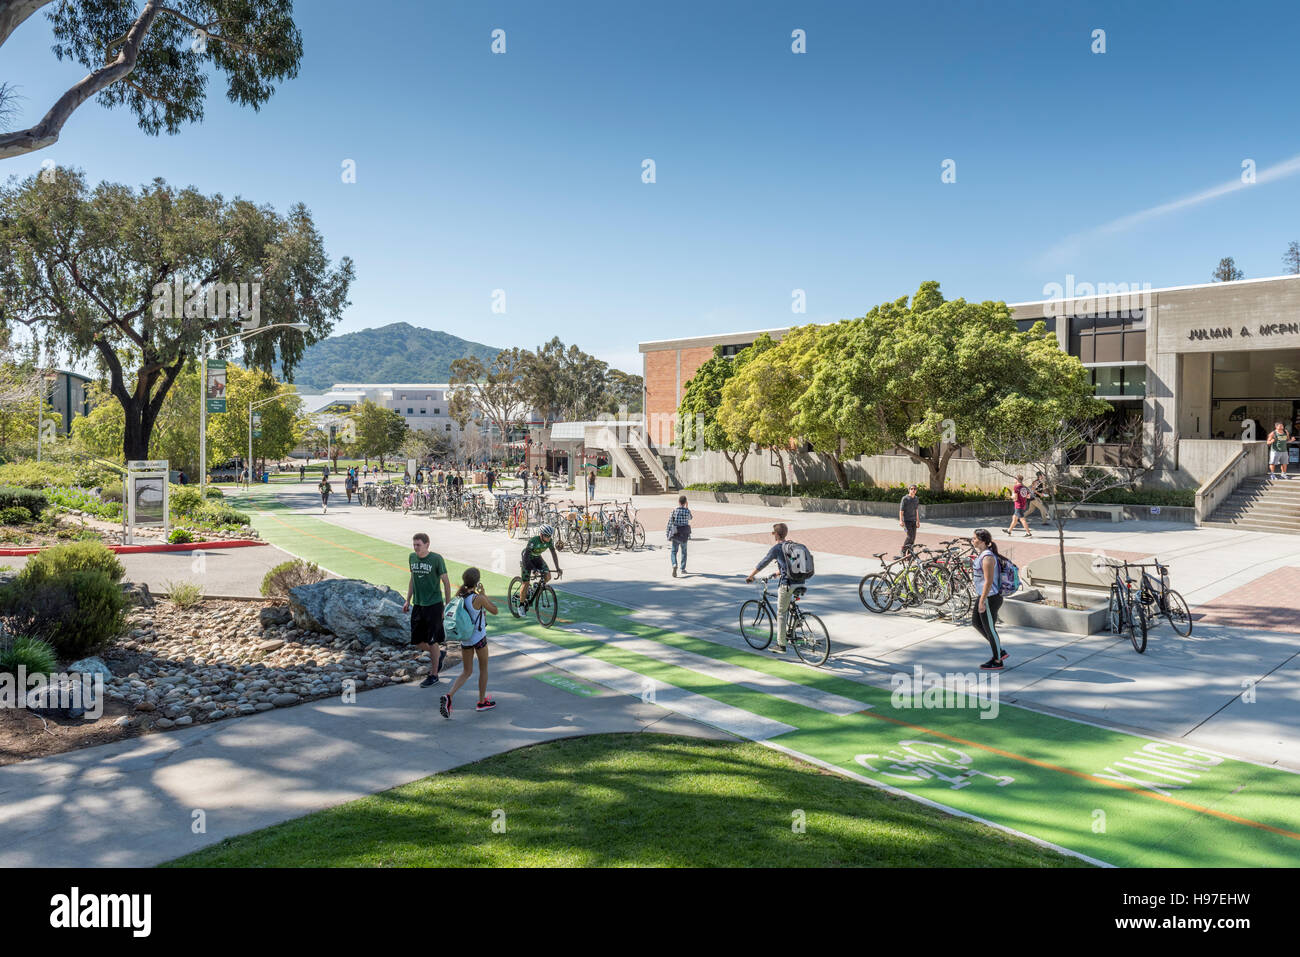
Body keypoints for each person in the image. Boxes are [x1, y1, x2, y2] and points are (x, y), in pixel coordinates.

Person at [439, 566, 498, 716]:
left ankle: (449, 696)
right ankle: (482, 701)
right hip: (479, 638)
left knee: (466, 671)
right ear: (477, 581)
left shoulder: (460, 596)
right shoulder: (478, 598)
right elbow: (494, 610)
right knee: (483, 669)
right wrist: (484, 594)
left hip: (465, 639)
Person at [403, 532, 452, 687]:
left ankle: (434, 674)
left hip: (434, 605)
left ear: (427, 544)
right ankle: (439, 654)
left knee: (432, 641)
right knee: (417, 640)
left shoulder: (436, 559)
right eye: (414, 545)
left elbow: (446, 582)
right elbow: (412, 579)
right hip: (418, 604)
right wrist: (407, 600)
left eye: (418, 545)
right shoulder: (412, 557)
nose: (416, 548)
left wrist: (447, 605)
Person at [745, 523, 794, 654]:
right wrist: (779, 572)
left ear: (777, 534)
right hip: (800, 581)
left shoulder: (777, 548)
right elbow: (792, 564)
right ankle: (795, 625)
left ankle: (781, 645)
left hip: (787, 583)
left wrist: (751, 576)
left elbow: (763, 563)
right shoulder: (792, 545)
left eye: (773, 533)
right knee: (788, 604)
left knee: (781, 613)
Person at [970, 528, 1009, 670]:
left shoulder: (987, 558)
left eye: (974, 538)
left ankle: (998, 660)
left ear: (982, 541)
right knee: (976, 623)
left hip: (989, 597)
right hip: (984, 596)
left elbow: (988, 581)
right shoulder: (982, 555)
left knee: (990, 629)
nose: (972, 540)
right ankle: (999, 651)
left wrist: (982, 601)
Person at [519, 524, 563, 607]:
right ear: (541, 535)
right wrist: (533, 569)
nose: (549, 538)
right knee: (526, 583)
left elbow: (553, 553)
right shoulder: (533, 541)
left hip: (537, 557)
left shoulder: (549, 541)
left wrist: (557, 568)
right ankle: (521, 605)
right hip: (527, 559)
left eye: (550, 536)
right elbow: (526, 557)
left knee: (548, 576)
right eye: (546, 536)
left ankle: (536, 587)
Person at [667, 495, 693, 577]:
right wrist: (687, 508)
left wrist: (668, 534)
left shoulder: (674, 511)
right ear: (685, 503)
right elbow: (690, 518)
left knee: (674, 552)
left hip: (676, 534)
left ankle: (674, 564)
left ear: (678, 502)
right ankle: (683, 568)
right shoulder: (687, 511)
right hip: (684, 534)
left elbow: (670, 523)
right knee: (684, 552)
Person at [899, 484, 920, 552]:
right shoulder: (905, 498)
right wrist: (901, 520)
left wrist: (918, 521)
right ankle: (903, 550)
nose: (913, 490)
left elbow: (916, 510)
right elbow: (901, 510)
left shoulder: (916, 499)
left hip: (913, 521)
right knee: (909, 536)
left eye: (914, 489)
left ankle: (910, 553)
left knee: (913, 538)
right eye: (911, 489)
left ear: (916, 491)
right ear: (909, 490)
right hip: (906, 521)